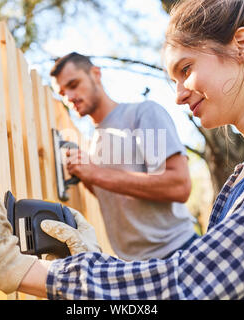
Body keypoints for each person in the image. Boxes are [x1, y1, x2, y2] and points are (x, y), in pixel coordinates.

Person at [0, 0, 244, 299]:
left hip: (171, 261)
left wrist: (23, 271)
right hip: (143, 271)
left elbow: (192, 278)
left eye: (186, 69)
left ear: (242, 45)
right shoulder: (241, 178)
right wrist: (94, 259)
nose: (177, 94)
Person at [43, 52, 198, 261]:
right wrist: (88, 176)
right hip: (132, 267)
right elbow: (119, 198)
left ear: (96, 74)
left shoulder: (142, 113)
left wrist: (95, 174)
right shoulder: (91, 145)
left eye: (73, 84)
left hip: (180, 254)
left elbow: (179, 186)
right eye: (62, 93)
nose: (69, 97)